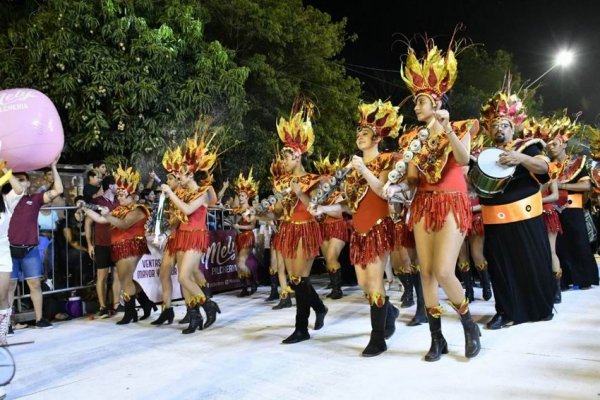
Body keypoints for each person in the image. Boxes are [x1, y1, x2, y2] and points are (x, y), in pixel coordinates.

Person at [397, 40, 481, 360]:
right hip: (422, 204)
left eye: (420, 101)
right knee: (427, 272)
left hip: (451, 200)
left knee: (446, 270)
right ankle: (437, 338)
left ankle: (469, 326)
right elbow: (414, 178)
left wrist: (447, 130)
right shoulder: (411, 139)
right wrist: (403, 174)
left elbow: (463, 159)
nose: (415, 107)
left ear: (435, 101)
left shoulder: (461, 126)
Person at [313, 100, 401, 356]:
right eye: (358, 133)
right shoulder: (351, 173)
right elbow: (347, 207)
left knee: (374, 281)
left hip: (379, 227)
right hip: (359, 231)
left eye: (364, 133)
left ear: (377, 137)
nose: (359, 136)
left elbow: (383, 193)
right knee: (365, 283)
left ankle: (378, 338)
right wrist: (323, 210)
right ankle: (390, 312)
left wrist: (362, 169)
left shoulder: (387, 160)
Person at [478, 79, 555, 329]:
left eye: (504, 124)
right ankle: (505, 311)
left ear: (513, 129)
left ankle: (540, 307)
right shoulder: (484, 155)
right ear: (488, 131)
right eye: (494, 125)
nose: (499, 128)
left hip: (527, 218)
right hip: (495, 221)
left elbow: (544, 168)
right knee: (500, 268)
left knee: (532, 263)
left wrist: (519, 157)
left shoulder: (529, 147)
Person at [274, 99, 328, 345]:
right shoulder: (280, 182)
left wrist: (299, 193)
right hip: (287, 229)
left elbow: (315, 208)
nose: (283, 162)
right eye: (283, 157)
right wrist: (265, 212)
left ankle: (301, 328)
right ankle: (319, 308)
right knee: (297, 280)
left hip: (306, 228)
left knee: (299, 279)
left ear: (298, 157)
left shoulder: (314, 179)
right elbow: (277, 211)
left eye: (287, 157)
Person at [159, 131, 221, 333]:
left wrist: (170, 193)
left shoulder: (204, 193)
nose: (179, 177)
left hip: (195, 235)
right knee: (183, 278)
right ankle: (194, 317)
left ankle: (208, 305)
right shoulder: (183, 192)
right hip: (182, 236)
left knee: (184, 276)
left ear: (191, 174)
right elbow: (177, 214)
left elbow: (187, 210)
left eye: (182, 174)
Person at [81, 166, 156, 325]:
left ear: (132, 196)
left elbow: (123, 224)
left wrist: (107, 214)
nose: (120, 198)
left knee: (125, 280)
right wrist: (85, 207)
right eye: (119, 195)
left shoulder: (138, 209)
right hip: (119, 246)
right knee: (125, 279)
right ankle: (145, 303)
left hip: (131, 246)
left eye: (123, 195)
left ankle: (130, 312)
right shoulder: (119, 209)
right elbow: (101, 220)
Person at [8, 156, 63, 329]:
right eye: (17, 180)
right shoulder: (6, 199)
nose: (20, 183)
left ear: (29, 182)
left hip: (30, 249)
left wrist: (53, 167)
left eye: (23, 180)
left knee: (35, 284)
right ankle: (7, 324)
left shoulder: (35, 199)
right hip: (8, 249)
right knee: (9, 287)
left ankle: (40, 319)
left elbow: (58, 189)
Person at [545, 116, 598, 290]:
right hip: (553, 210)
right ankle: (564, 280)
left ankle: (584, 279)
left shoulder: (577, 162)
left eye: (555, 143)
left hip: (572, 208)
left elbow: (586, 185)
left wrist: (562, 185)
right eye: (549, 144)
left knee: (579, 243)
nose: (551, 147)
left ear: (564, 144)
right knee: (559, 246)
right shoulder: (546, 166)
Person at [0, 162, 24, 400]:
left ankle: (1, 333)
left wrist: (4, 172)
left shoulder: (5, 201)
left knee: (2, 299)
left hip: (2, 256)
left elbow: (19, 190)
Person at [313, 155, 349, 300]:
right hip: (323, 229)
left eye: (326, 181)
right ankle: (334, 285)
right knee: (328, 260)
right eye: (322, 181)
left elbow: (339, 213)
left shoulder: (338, 196)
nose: (323, 183)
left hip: (336, 228)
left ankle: (337, 289)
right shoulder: (318, 198)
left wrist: (324, 209)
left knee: (332, 257)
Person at [84, 175, 120, 317]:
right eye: (117, 184)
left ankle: (117, 304)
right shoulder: (97, 202)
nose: (120, 187)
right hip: (101, 244)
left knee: (117, 275)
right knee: (102, 276)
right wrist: (89, 244)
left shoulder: (119, 202)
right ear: (111, 186)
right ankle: (103, 306)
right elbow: (88, 223)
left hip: (117, 243)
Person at [232, 170, 259, 297]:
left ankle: (253, 282)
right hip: (238, 236)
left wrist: (240, 226)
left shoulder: (251, 209)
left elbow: (252, 225)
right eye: (239, 195)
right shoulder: (237, 209)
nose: (240, 197)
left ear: (247, 197)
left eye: (243, 196)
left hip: (247, 236)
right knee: (237, 262)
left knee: (241, 262)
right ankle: (244, 287)